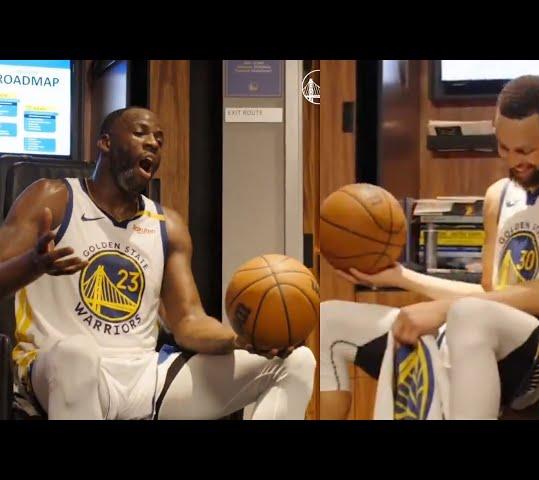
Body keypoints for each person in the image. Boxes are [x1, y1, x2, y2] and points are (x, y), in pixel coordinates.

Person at [319, 75, 539, 420]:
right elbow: (491, 293)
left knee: (467, 314)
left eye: (526, 150)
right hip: (489, 333)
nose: (513, 161)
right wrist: (402, 276)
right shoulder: (499, 195)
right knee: (329, 318)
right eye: (503, 148)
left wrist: (447, 309)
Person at [0, 106, 316, 420]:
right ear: (106, 143)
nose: (153, 142)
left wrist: (240, 341)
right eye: (140, 133)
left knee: (297, 360)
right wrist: (32, 264)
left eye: (159, 139)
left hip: (144, 377)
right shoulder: (53, 197)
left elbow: (189, 321)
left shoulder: (168, 225)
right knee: (77, 352)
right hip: (59, 371)